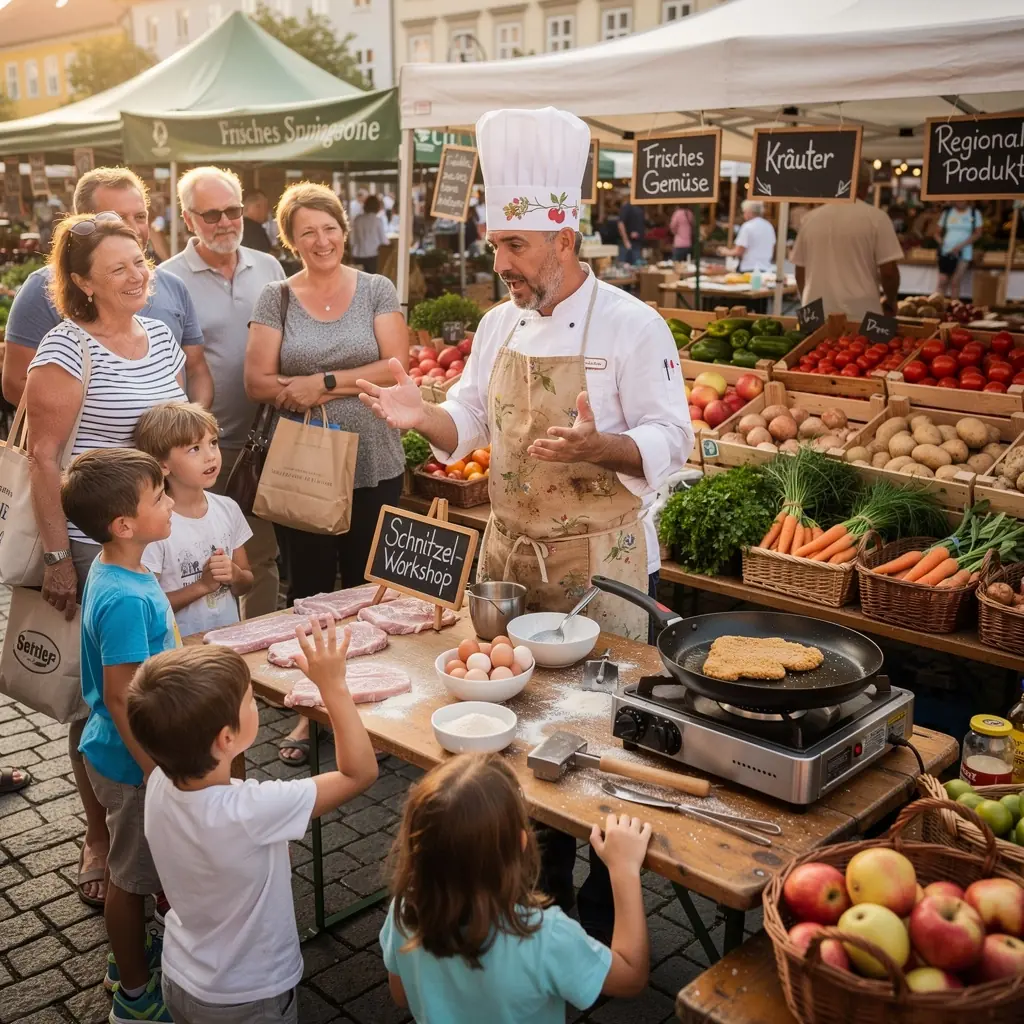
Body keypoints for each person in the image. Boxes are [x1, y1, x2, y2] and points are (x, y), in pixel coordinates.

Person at [359, 107, 692, 939]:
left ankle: (597, 909)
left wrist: (600, 445)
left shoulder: (632, 323)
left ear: (564, 238)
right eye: (495, 245)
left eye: (515, 246)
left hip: (599, 568)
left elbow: (674, 440)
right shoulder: (496, 322)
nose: (499, 263)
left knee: (595, 737)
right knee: (517, 731)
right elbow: (470, 418)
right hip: (509, 561)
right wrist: (421, 416)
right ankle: (533, 896)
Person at [23, 213, 188, 909]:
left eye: (139, 259)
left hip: (156, 530)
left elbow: (172, 428)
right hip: (94, 543)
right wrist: (59, 558)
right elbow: (42, 459)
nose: (137, 274)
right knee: (95, 695)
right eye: (117, 268)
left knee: (162, 678)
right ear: (83, 283)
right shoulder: (65, 348)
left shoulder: (160, 335)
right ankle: (101, 831)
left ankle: (170, 818)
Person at [126, 621, 378, 1024]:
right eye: (250, 700)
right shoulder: (252, 810)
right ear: (226, 739)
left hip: (182, 978)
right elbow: (359, 773)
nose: (255, 704)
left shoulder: (157, 782)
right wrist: (333, 688)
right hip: (249, 997)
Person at [245, 182, 408, 765]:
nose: (322, 241)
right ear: (291, 240)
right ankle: (310, 712)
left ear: (344, 228)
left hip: (375, 460)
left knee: (372, 590)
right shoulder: (276, 298)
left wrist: (324, 383)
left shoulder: (377, 288)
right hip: (305, 467)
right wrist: (322, 387)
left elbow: (396, 367)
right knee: (311, 593)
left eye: (330, 228)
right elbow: (256, 381)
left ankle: (373, 709)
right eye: (307, 232)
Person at [381, 754, 652, 1023]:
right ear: (522, 842)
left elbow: (401, 994)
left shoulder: (403, 910)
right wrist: (623, 869)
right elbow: (630, 977)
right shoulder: (544, 935)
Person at [59, 447, 179, 1023]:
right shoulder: (127, 597)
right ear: (125, 525)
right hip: (134, 765)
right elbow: (119, 695)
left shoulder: (116, 568)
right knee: (128, 881)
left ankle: (130, 954)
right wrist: (153, 769)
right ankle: (133, 993)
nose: (171, 501)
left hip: (124, 754)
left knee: (132, 872)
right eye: (159, 496)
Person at [161, 166, 285, 619]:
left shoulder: (268, 266)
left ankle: (260, 643)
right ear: (187, 219)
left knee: (261, 558)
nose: (225, 222)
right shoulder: (167, 280)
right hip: (202, 446)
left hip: (267, 441)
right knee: (197, 560)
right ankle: (206, 644)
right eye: (210, 214)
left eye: (232, 211)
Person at [2, 165, 212, 409]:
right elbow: (16, 382)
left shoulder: (173, 286)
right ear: (83, 222)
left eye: (140, 217)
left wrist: (193, 422)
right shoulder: (44, 286)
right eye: (117, 218)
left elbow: (195, 369)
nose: (133, 228)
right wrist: (108, 420)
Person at [136, 402, 253, 637]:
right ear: (163, 464)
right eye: (194, 449)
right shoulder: (153, 524)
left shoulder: (228, 509)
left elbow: (247, 582)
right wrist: (202, 586)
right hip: (178, 651)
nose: (210, 456)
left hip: (228, 644)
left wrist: (235, 575)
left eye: (213, 443)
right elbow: (147, 608)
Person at [791, 167, 905, 319]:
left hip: (814, 312)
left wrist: (806, 303)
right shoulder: (877, 218)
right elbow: (889, 272)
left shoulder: (810, 218)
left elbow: (800, 270)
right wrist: (891, 301)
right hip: (862, 312)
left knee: (812, 337)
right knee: (864, 337)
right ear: (865, 186)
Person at [934, 200, 983, 299]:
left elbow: (978, 233)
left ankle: (954, 304)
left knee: (955, 281)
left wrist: (961, 246)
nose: (960, 202)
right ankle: (937, 303)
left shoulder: (974, 213)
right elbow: (937, 233)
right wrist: (942, 242)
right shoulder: (947, 213)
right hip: (947, 252)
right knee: (942, 281)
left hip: (964, 251)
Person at [721, 200, 776, 271]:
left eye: (744, 212)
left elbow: (739, 251)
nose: (743, 215)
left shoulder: (747, 226)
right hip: (765, 267)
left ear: (749, 212)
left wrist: (725, 251)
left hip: (748, 267)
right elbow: (772, 246)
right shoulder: (769, 226)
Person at [350, 194, 388, 274]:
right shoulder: (377, 220)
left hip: (358, 255)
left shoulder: (358, 219)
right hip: (373, 256)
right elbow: (384, 241)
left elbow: (352, 240)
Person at [241, 188, 274, 253]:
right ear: (257, 207)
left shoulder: (235, 227)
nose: (268, 211)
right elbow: (264, 256)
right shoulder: (255, 229)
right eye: (266, 207)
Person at [616, 198, 645, 264]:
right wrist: (626, 241)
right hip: (628, 244)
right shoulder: (627, 207)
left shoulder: (641, 207)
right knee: (624, 266)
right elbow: (620, 224)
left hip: (637, 244)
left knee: (637, 266)